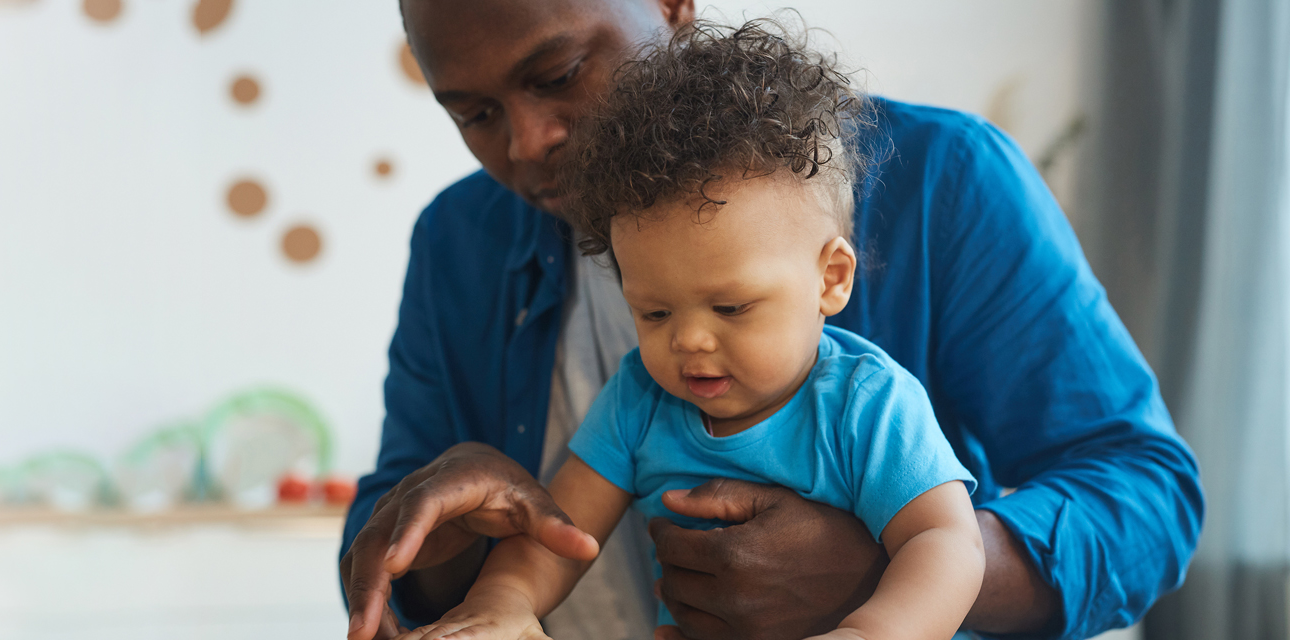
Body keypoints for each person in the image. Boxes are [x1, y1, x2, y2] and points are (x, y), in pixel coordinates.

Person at [339, 1, 1204, 640]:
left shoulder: (947, 185)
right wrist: (455, 557)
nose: (525, 143)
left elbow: (1147, 493)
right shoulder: (457, 243)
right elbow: (390, 552)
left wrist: (891, 574)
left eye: (559, 75)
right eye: (473, 114)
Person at [392, 20, 986, 640]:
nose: (689, 341)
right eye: (653, 313)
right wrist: (506, 599)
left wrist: (870, 632)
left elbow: (945, 541)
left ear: (831, 279)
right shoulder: (640, 400)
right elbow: (558, 530)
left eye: (730, 309)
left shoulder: (868, 405)